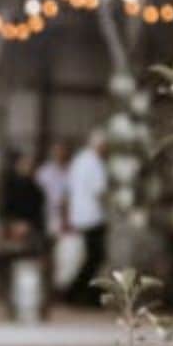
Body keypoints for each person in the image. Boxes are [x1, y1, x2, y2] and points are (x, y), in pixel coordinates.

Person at [66, 128, 109, 305]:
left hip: (80, 215)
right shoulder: (95, 163)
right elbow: (100, 191)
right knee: (95, 257)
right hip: (93, 216)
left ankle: (81, 293)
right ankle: (75, 292)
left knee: (92, 257)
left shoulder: (79, 160)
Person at [0, 151, 46, 244]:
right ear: (17, 166)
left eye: (30, 165)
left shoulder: (36, 189)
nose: (27, 168)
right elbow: (6, 206)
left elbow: (38, 211)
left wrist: (29, 225)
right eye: (24, 164)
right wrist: (12, 224)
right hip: (13, 226)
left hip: (30, 228)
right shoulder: (10, 185)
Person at [36, 141, 71, 237]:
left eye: (62, 151)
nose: (60, 154)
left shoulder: (72, 170)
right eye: (57, 151)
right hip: (50, 214)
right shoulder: (44, 171)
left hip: (69, 215)